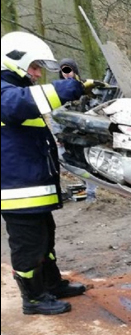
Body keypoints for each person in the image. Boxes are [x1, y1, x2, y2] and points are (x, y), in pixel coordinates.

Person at [1, 31, 100, 315]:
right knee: (28, 245)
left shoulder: (14, 88)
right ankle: (32, 299)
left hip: (31, 185)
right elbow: (20, 103)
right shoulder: (6, 91)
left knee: (45, 238)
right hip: (16, 190)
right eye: (34, 67)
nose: (36, 73)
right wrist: (69, 88)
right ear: (14, 61)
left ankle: (51, 284)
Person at [58, 58, 97, 203]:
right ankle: (84, 188)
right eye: (64, 71)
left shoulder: (85, 87)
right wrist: (59, 136)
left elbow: (95, 107)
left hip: (85, 132)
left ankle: (91, 192)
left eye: (69, 70)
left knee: (87, 163)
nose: (67, 74)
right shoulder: (57, 90)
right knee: (68, 161)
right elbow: (56, 113)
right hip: (67, 134)